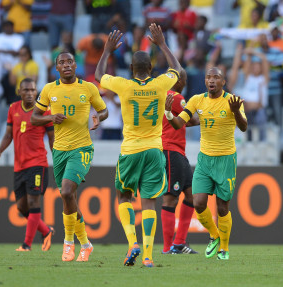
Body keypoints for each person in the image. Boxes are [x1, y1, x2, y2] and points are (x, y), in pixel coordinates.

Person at [94, 24, 182, 267]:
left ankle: (132, 241)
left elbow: (98, 76)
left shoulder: (124, 85)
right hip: (154, 150)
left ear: (131, 69)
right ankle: (147, 256)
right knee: (150, 201)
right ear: (151, 68)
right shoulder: (160, 84)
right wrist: (162, 44)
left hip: (130, 150)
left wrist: (107, 50)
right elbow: (178, 69)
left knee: (124, 196)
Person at [31, 52, 108, 262]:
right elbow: (34, 118)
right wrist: (50, 117)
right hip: (59, 150)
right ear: (56, 68)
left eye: (69, 62)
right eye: (61, 62)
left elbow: (104, 111)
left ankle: (67, 243)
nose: (66, 65)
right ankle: (86, 244)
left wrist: (97, 117)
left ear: (76, 65)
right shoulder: (49, 89)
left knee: (66, 192)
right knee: (70, 198)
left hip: (81, 149)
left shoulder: (88, 87)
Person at [165, 67, 247, 261]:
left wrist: (236, 112)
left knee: (222, 207)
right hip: (204, 159)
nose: (211, 80)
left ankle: (224, 249)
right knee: (199, 202)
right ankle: (215, 235)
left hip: (226, 158)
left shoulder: (233, 101)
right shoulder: (196, 100)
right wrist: (168, 113)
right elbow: (179, 123)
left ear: (223, 82)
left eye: (216, 77)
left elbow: (243, 127)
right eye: (208, 77)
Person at [0, 78, 54, 252]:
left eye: (33, 90)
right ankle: (46, 231)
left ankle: (26, 245)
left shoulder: (44, 111)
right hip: (19, 166)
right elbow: (8, 135)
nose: (30, 93)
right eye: (27, 90)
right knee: (22, 207)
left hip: (37, 163)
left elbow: (52, 138)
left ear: (36, 92)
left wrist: (58, 159)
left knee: (32, 201)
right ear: (19, 92)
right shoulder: (13, 109)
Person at [161, 70, 199, 255]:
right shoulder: (175, 96)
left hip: (178, 151)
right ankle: (168, 247)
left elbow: (184, 121)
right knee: (171, 197)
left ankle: (179, 243)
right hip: (170, 149)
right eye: (184, 79)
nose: (185, 83)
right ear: (179, 80)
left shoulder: (162, 95)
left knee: (191, 195)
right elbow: (192, 119)